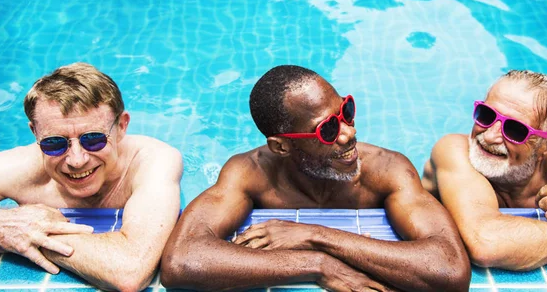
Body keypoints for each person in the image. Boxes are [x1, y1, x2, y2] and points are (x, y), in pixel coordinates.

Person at [161, 65, 470, 292]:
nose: (349, 133)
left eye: (346, 112)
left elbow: (449, 268)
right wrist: (318, 265)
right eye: (327, 130)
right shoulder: (249, 172)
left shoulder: (387, 169)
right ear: (281, 146)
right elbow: (182, 260)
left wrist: (315, 236)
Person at [0, 63, 183, 292]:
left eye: (93, 140)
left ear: (121, 126)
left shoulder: (152, 161)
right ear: (35, 133)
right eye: (54, 143)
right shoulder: (15, 168)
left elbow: (130, 270)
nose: (76, 160)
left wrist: (27, 234)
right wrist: (0, 226)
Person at [422, 69, 547, 270]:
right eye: (486, 115)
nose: (490, 137)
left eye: (515, 130)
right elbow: (486, 243)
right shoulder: (453, 151)